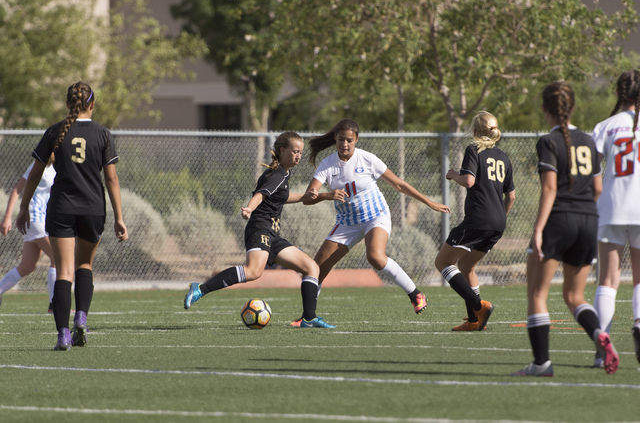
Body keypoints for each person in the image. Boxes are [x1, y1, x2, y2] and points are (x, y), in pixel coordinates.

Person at [290, 119, 450, 327]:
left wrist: (429, 202)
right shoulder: (328, 164)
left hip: (376, 215)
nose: (344, 144)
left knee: (375, 256)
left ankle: (416, 294)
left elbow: (399, 185)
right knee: (316, 267)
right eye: (340, 140)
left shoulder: (367, 159)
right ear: (335, 139)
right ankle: (307, 317)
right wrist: (325, 195)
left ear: (356, 139)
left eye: (349, 140)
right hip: (347, 222)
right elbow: (309, 198)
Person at [511, 81, 618, 377]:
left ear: (545, 109)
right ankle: (599, 334)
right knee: (574, 296)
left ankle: (542, 363)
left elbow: (549, 189)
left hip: (559, 220)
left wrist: (538, 229)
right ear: (572, 108)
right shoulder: (589, 141)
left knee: (537, 293)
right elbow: (597, 188)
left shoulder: (548, 142)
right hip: (588, 221)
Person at [16, 81, 128, 351]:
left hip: (61, 209)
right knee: (84, 266)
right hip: (92, 209)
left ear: (68, 104)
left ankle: (63, 335)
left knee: (63, 271)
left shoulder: (55, 131)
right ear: (92, 104)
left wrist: (24, 207)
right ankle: (81, 317)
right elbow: (111, 180)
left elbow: (34, 174)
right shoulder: (103, 133)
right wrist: (119, 217)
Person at [183, 132, 335, 328]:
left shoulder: (283, 173)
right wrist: (249, 207)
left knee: (311, 268)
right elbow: (261, 195)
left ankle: (309, 318)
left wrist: (318, 195)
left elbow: (281, 196)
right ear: (282, 151)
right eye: (294, 151)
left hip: (273, 233)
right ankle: (200, 289)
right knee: (254, 271)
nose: (298, 156)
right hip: (260, 228)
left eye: (300, 152)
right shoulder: (277, 174)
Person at [434, 111, 515, 331]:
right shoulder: (504, 157)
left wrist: (452, 174)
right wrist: (499, 218)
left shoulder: (474, 149)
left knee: (442, 263)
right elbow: (512, 196)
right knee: (467, 266)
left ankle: (480, 307)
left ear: (476, 131)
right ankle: (473, 321)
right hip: (498, 221)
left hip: (479, 218)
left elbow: (468, 181)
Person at [591, 69, 640, 367]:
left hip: (610, 207)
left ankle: (602, 347)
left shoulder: (604, 126)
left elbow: (593, 177)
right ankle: (639, 322)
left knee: (608, 280)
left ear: (619, 93)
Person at [0, 162, 56, 312]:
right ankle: (55, 305)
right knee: (58, 258)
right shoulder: (39, 163)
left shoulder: (57, 165)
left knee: (27, 266)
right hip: (34, 219)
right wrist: (7, 217)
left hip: (41, 220)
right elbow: (18, 189)